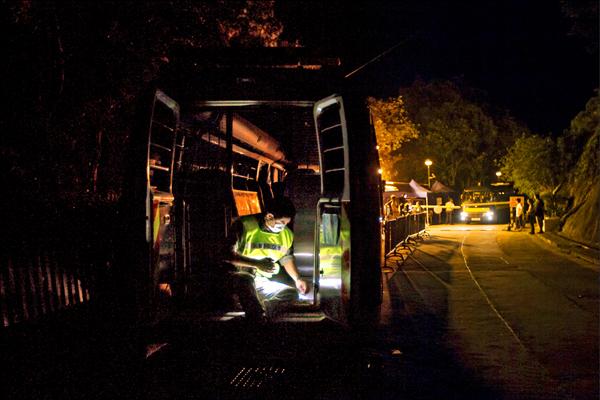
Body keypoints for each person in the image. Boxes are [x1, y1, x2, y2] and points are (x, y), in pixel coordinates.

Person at [223, 197, 308, 322]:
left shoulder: (287, 235)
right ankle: (256, 315)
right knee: (244, 279)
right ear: (269, 217)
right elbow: (227, 255)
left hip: (261, 282)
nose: (284, 227)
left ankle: (262, 312)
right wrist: (257, 264)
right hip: (237, 280)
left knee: (291, 293)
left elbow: (286, 258)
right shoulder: (243, 225)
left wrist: (298, 279)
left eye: (286, 223)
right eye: (282, 222)